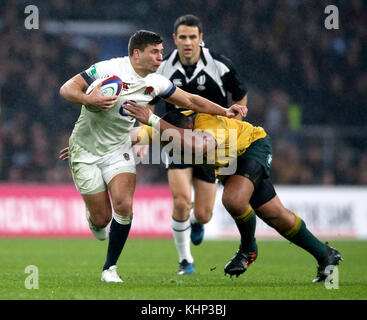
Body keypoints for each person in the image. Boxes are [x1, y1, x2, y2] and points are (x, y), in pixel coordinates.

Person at [59, 30, 247, 283]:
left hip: (119, 148)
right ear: (137, 53)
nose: (161, 57)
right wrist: (87, 98)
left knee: (124, 206)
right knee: (102, 219)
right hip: (85, 150)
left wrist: (226, 110)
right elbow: (66, 89)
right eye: (155, 52)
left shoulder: (156, 82)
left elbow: (191, 100)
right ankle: (94, 220)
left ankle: (110, 269)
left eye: (161, 52)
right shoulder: (107, 69)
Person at [120, 102, 343, 283]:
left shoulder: (206, 125)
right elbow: (126, 136)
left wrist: (152, 119)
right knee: (275, 215)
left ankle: (247, 249)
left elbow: (199, 146)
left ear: (189, 127)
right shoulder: (164, 129)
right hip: (230, 165)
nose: (175, 150)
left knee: (234, 199)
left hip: (251, 147)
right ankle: (325, 255)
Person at [147, 14, 248, 275]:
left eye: (193, 37)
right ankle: (185, 261)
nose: (188, 42)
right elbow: (149, 100)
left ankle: (195, 222)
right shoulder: (162, 67)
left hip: (209, 144)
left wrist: (236, 120)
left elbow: (239, 95)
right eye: (183, 37)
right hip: (176, 140)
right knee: (181, 201)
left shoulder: (220, 65)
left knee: (203, 214)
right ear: (175, 39)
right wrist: (143, 135)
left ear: (201, 39)